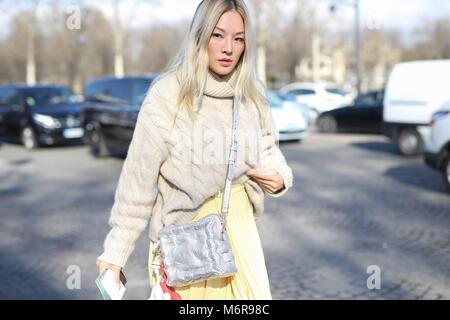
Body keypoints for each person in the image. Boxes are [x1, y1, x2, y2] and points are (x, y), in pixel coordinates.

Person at [96, 0, 293, 300]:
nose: (228, 47)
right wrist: (115, 253)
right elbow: (138, 182)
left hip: (238, 234)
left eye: (238, 38)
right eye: (218, 35)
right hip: (182, 240)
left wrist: (280, 176)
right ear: (199, 36)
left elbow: (267, 147)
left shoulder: (252, 94)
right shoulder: (168, 94)